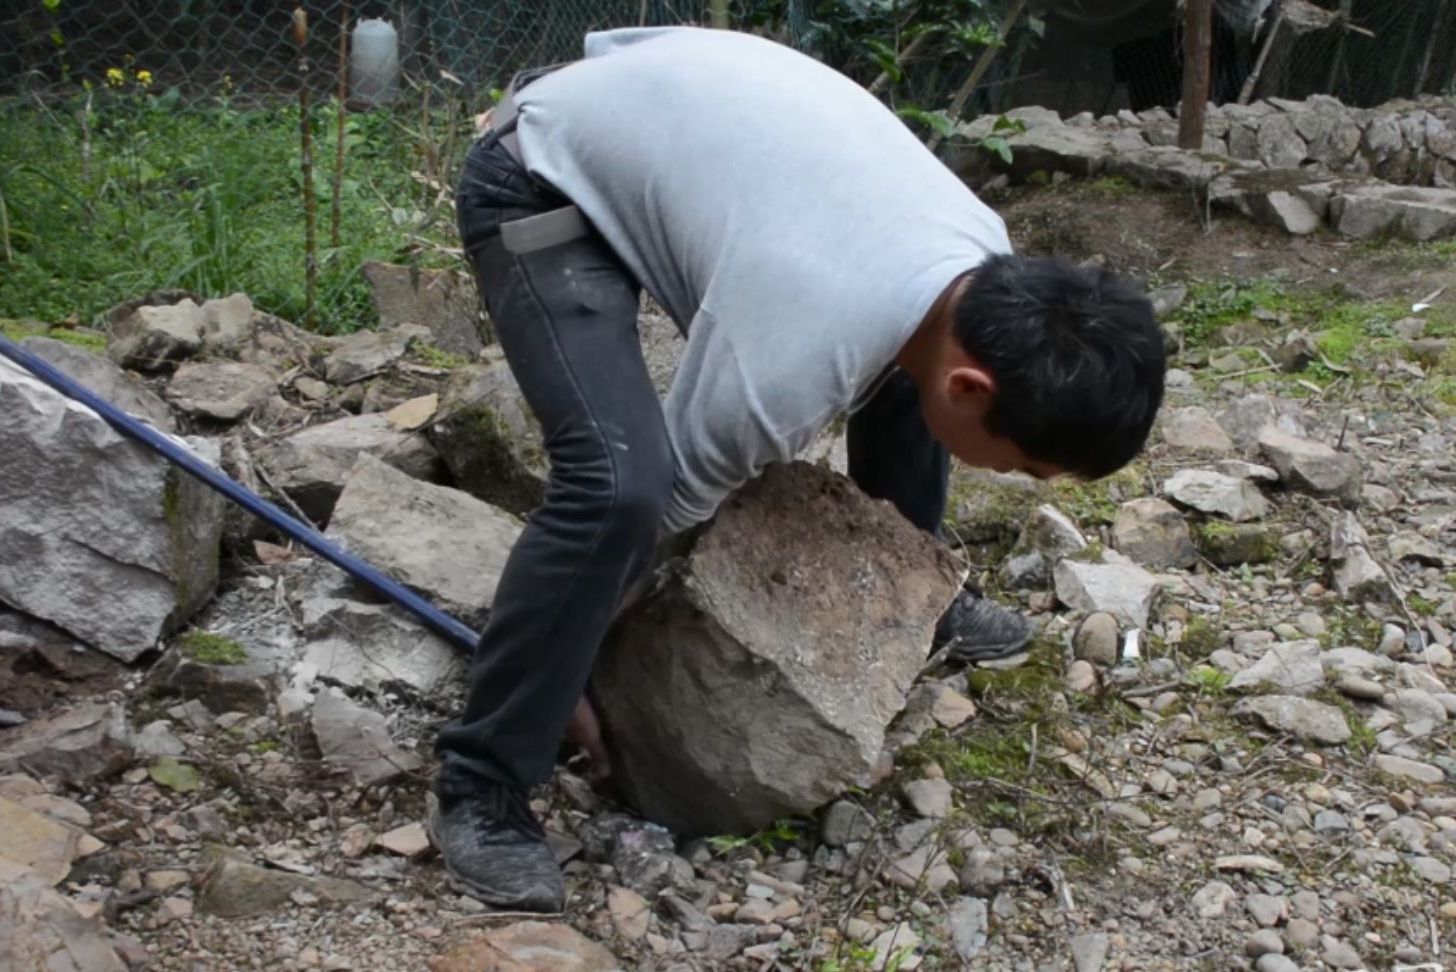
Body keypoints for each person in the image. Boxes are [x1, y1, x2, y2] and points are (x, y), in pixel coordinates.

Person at [429, 25, 1166, 911]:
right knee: (616, 486)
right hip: (542, 176)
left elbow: (916, 357)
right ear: (974, 386)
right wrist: (576, 671)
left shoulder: (978, 268)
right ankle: (483, 782)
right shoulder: (791, 358)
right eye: (1032, 470)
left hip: (662, 121)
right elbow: (664, 514)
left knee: (906, 374)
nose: (1028, 484)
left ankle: (915, 598)